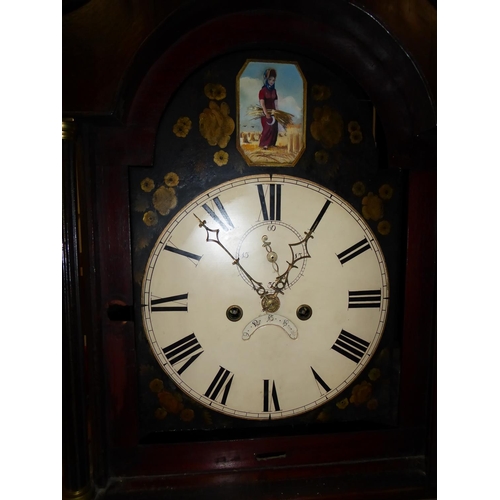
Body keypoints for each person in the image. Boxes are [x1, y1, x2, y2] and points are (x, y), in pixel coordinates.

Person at [259, 69, 279, 149]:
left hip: (273, 112)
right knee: (268, 128)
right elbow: (262, 103)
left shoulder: (274, 91)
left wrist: (277, 112)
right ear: (266, 79)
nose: (271, 81)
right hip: (266, 112)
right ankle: (265, 144)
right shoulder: (262, 91)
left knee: (274, 128)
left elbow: (276, 102)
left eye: (273, 80)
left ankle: (271, 144)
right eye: (270, 79)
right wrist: (266, 113)